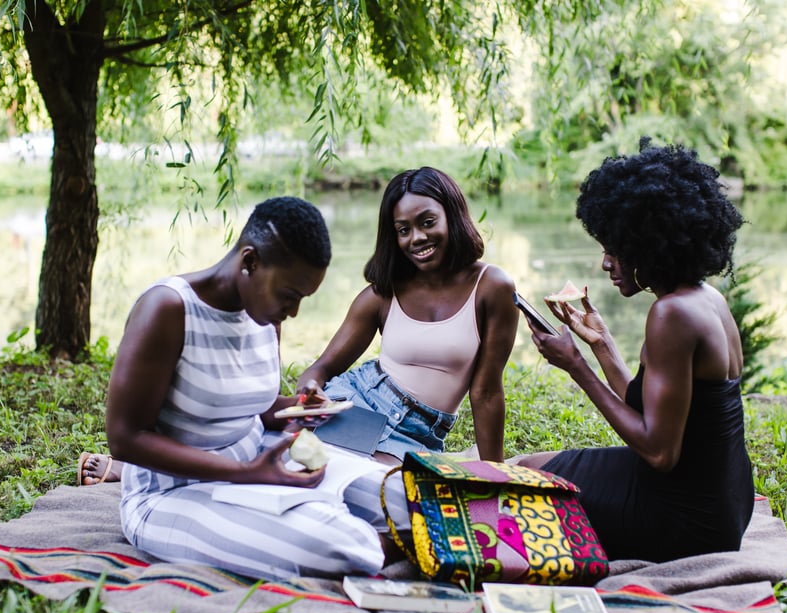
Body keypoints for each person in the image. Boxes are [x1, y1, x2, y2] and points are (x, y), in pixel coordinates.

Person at [103, 196, 408, 580]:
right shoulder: (168, 310)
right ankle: (394, 542)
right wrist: (244, 472)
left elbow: (251, 408)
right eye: (290, 296)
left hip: (260, 463)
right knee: (338, 544)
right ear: (250, 262)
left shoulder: (264, 314)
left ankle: (398, 533)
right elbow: (125, 439)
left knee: (407, 498)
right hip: (169, 494)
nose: (293, 312)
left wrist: (298, 408)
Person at [512, 141, 754, 562]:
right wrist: (602, 343)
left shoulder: (671, 315)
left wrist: (577, 367)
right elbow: (653, 413)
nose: (606, 264)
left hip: (686, 519)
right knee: (530, 463)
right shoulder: (705, 297)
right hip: (725, 503)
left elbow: (660, 453)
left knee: (519, 487)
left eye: (614, 250)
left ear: (650, 246)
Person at [296, 167, 519, 464]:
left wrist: (496, 472)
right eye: (403, 230)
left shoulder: (492, 287)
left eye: (427, 222)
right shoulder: (383, 295)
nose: (417, 237)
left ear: (452, 215)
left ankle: (462, 460)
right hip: (356, 404)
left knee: (385, 490)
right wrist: (309, 390)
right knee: (309, 466)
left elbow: (487, 392)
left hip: (417, 432)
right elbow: (321, 369)